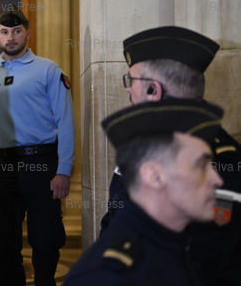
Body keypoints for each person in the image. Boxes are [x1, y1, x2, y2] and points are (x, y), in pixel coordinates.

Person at [99, 26, 241, 285]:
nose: (128, 89)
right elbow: (114, 218)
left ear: (154, 90)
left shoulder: (220, 159)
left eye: (131, 80)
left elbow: (208, 257)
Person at [65, 98, 224, 285]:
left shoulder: (177, 243)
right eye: (201, 165)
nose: (217, 180)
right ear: (154, 176)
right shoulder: (107, 276)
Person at [0, 9, 75, 286]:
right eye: (5, 32)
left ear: (28, 34)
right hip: (1, 166)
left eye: (17, 31)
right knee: (2, 242)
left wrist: (64, 170)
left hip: (41, 163)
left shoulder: (48, 70)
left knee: (45, 238)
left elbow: (66, 121)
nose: (11, 37)